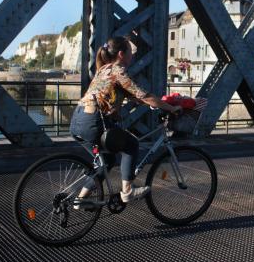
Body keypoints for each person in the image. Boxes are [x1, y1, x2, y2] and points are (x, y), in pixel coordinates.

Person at [70, 36, 182, 203]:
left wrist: (152, 103)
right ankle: (127, 191)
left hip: (78, 121)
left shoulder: (104, 69)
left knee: (106, 162)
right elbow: (144, 95)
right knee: (132, 144)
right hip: (93, 122)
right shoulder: (118, 71)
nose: (133, 55)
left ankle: (81, 199)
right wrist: (172, 108)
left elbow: (133, 96)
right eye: (131, 52)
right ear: (122, 54)